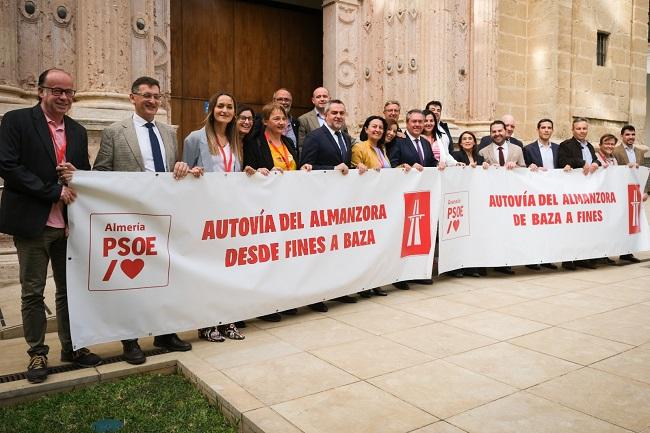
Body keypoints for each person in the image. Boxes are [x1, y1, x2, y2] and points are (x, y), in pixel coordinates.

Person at [0, 68, 102, 383]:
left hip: (67, 228)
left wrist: (77, 176)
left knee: (69, 291)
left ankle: (72, 347)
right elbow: (7, 165)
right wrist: (54, 190)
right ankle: (37, 353)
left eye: (69, 92)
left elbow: (83, 175)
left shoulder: (77, 130)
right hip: (32, 224)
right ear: (40, 91)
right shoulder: (16, 121)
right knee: (32, 291)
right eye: (56, 90)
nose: (63, 97)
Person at [94, 76, 200, 363]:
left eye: (157, 96)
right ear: (132, 98)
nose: (153, 101)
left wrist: (182, 168)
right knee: (132, 283)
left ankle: (165, 332)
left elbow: (171, 172)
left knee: (164, 278)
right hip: (129, 221)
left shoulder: (168, 132)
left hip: (163, 217)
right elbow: (100, 173)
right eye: (146, 96)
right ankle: (130, 340)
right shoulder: (116, 132)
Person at [182, 92, 249, 335]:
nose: (225, 110)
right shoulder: (195, 138)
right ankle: (205, 323)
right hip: (205, 214)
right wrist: (192, 171)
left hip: (230, 214)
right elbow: (182, 173)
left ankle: (227, 318)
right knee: (208, 270)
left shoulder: (235, 141)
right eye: (221, 106)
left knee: (228, 269)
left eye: (230, 107)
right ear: (212, 109)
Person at [300, 99, 367, 307]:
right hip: (320, 202)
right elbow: (305, 167)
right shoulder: (314, 137)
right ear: (326, 115)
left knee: (338, 250)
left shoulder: (346, 138)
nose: (338, 116)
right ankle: (315, 297)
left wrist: (358, 168)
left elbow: (346, 166)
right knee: (320, 252)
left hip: (340, 203)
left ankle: (338, 290)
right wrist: (331, 168)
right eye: (334, 113)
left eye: (341, 113)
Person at [388, 109, 438, 289]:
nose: (417, 125)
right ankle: (399, 277)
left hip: (422, 197)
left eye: (420, 122)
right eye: (414, 122)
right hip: (403, 197)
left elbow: (430, 163)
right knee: (402, 237)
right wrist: (404, 166)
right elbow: (392, 164)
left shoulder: (425, 143)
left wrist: (438, 165)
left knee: (420, 236)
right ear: (407, 122)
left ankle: (418, 272)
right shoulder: (398, 141)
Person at [351, 115, 391, 297]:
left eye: (381, 128)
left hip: (382, 204)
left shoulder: (382, 148)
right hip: (365, 205)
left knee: (378, 246)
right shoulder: (360, 147)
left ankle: (376, 281)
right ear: (366, 129)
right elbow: (355, 170)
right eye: (374, 126)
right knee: (364, 248)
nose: (377, 130)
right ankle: (363, 284)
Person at [479, 120, 525, 275]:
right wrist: (483, 168)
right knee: (493, 230)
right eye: (494, 131)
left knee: (508, 230)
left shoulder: (517, 149)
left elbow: (524, 171)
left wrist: (516, 167)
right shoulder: (483, 152)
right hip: (492, 199)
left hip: (511, 198)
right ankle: (491, 260)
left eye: (500, 131)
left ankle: (506, 262)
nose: (497, 134)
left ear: (506, 131)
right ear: (490, 133)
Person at [558, 117, 600, 271]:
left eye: (584, 128)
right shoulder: (565, 145)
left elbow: (595, 160)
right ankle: (569, 260)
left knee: (585, 226)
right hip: (572, 192)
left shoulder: (589, 146)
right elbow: (562, 160)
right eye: (579, 128)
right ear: (573, 130)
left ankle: (583, 257)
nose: (582, 131)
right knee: (572, 226)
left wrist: (596, 163)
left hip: (589, 193)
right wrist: (581, 163)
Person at [522, 119, 560, 270]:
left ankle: (547, 258)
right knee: (534, 227)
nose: (546, 130)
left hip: (553, 193)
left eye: (549, 128)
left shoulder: (558, 148)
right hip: (535, 193)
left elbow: (562, 166)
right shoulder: (528, 149)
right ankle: (532, 259)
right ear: (538, 130)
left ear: (552, 130)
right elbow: (523, 168)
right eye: (543, 127)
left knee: (549, 227)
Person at [613, 125, 645, 263]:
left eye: (633, 134)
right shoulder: (615, 151)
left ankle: (628, 252)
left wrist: (647, 191)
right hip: (621, 192)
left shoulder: (639, 152)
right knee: (620, 222)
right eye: (627, 135)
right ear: (622, 136)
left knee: (633, 223)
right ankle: (619, 249)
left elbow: (645, 172)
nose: (631, 137)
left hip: (635, 192)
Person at [594, 134, 619, 265]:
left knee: (608, 227)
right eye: (607, 143)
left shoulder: (614, 159)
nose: (609, 146)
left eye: (612, 144)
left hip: (610, 199)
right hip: (598, 199)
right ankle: (597, 254)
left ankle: (605, 253)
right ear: (600, 145)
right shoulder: (596, 157)